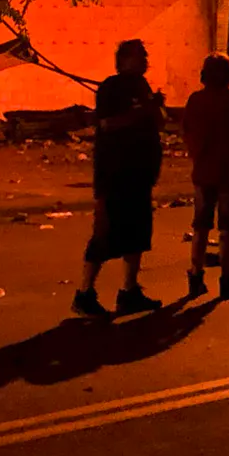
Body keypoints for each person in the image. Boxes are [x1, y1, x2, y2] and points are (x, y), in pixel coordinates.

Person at [75, 39, 166, 318]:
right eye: (141, 55)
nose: (146, 60)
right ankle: (85, 293)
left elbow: (157, 121)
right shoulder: (111, 88)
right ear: (125, 59)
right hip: (116, 174)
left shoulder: (142, 86)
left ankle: (129, 291)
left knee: (138, 235)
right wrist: (143, 110)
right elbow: (108, 124)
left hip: (140, 175)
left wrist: (155, 108)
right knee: (104, 234)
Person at [181, 54, 229, 300]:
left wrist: (197, 156)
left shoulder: (195, 101)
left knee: (201, 224)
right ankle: (227, 277)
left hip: (204, 170)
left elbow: (188, 134)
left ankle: (196, 274)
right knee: (227, 227)